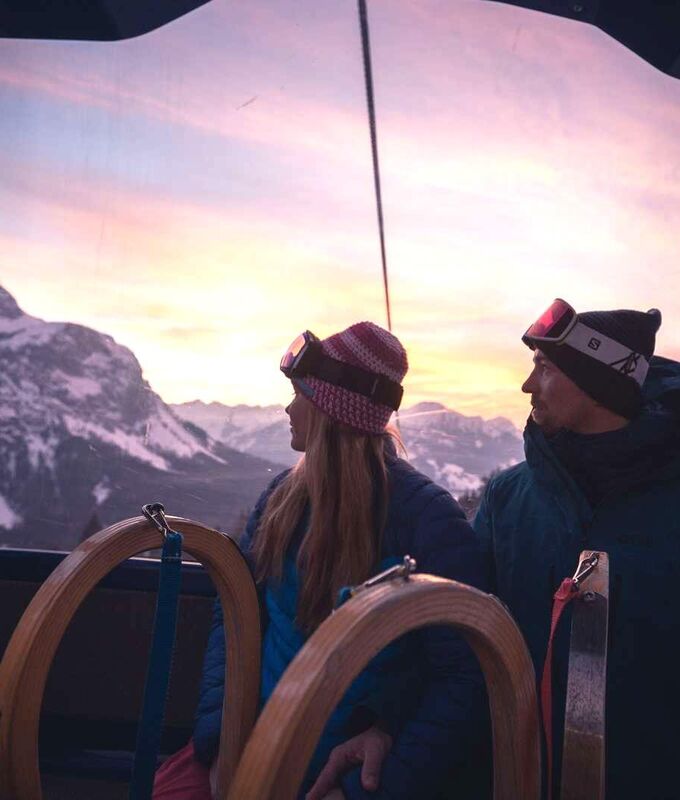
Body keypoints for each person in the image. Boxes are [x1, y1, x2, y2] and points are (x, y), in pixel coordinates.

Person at [153, 321, 489, 800]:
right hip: (246, 751)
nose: (289, 408)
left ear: (333, 411)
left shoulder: (426, 521)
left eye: (300, 395)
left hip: (342, 776)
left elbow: (462, 675)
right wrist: (220, 738)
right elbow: (234, 618)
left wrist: (365, 786)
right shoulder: (280, 501)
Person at [473, 299, 680, 799]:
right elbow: (463, 642)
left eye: (544, 367)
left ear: (598, 381)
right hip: (525, 780)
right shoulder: (508, 499)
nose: (527, 385)